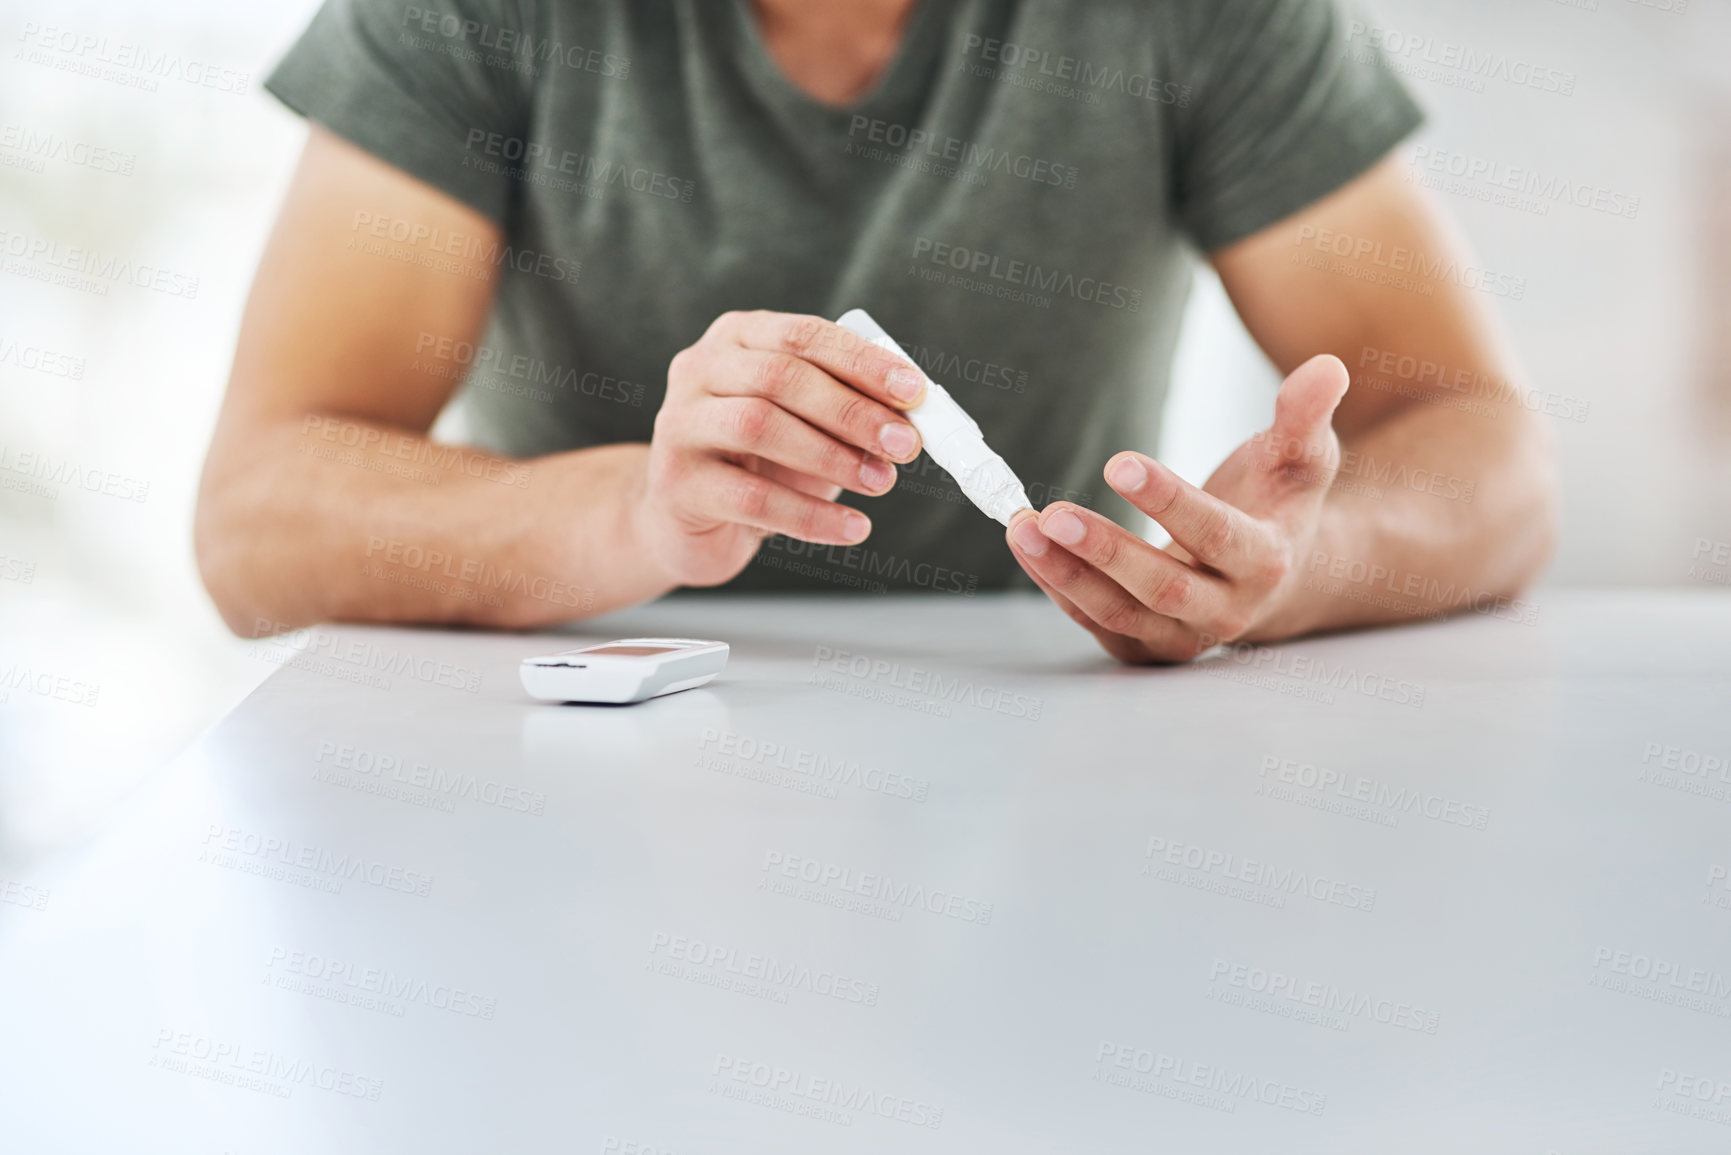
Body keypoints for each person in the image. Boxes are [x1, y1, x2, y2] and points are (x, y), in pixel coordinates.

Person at [195, 0, 1557, 664]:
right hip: (583, 732)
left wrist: (1302, 570)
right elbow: (258, 527)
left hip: (1049, 746)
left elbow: (1489, 458)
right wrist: (643, 516)